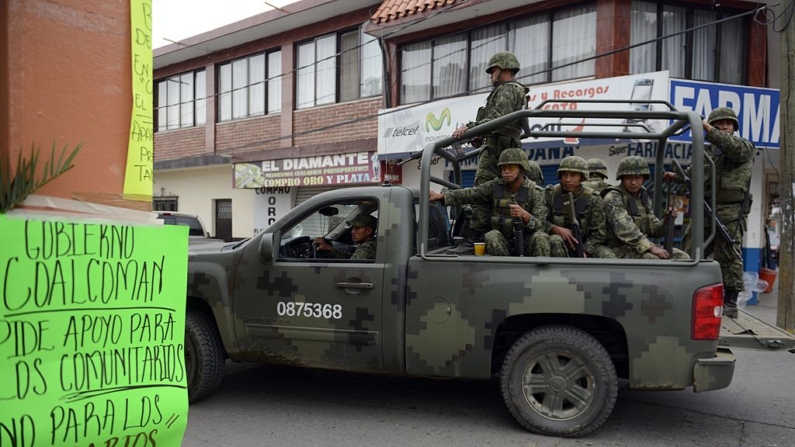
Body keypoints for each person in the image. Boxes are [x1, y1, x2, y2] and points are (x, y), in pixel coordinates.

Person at [663, 107, 754, 317]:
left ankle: (730, 301)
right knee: (690, 248)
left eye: (728, 124)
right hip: (705, 208)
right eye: (718, 123)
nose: (723, 127)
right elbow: (692, 174)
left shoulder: (743, 147)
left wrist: (705, 126)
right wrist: (675, 176)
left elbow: (732, 147)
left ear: (734, 127)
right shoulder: (706, 153)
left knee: (729, 252)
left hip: (730, 210)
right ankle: (687, 292)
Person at [449, 51, 529, 254]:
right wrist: (478, 134)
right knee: (487, 192)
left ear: (504, 68)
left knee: (481, 192)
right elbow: (499, 121)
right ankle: (479, 236)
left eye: (493, 70)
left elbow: (497, 118)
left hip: (498, 149)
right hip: (496, 146)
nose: (490, 75)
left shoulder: (509, 90)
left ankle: (475, 238)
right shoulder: (506, 90)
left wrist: (470, 127)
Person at [430, 148, 549, 257]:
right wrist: (443, 196)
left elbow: (541, 226)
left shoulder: (535, 192)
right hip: (503, 242)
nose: (506, 172)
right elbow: (472, 193)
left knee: (541, 237)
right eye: (503, 168)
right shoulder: (496, 186)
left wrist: (525, 215)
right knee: (491, 236)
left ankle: (541, 277)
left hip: (526, 241)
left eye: (511, 168)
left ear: (522, 169)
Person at [603, 156, 688, 260]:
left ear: (644, 178)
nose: (633, 182)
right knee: (654, 260)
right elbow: (625, 229)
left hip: (640, 248)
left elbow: (654, 229)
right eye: (628, 178)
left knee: (682, 257)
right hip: (619, 250)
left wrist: (666, 220)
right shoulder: (613, 197)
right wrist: (651, 247)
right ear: (622, 178)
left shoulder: (642, 196)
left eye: (637, 177)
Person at [545, 156, 615, 258]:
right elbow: (540, 220)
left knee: (608, 256)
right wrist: (555, 229)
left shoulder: (593, 198)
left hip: (586, 244)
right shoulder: (550, 194)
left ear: (582, 177)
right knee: (554, 240)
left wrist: (586, 249)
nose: (568, 179)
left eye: (573, 175)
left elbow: (599, 233)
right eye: (565, 174)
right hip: (559, 244)